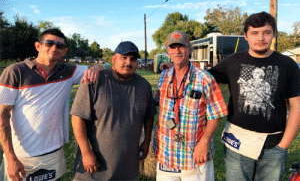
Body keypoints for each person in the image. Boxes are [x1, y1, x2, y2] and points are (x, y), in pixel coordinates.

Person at [0, 28, 103, 181]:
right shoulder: (15, 71)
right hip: (21, 154)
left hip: (54, 152)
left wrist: (96, 68)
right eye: (49, 43)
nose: (54, 48)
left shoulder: (69, 71)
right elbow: (2, 116)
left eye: (59, 46)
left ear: (65, 51)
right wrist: (11, 157)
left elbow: (102, 68)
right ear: (38, 46)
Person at [208, 12, 300, 181]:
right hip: (238, 142)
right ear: (245, 36)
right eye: (255, 33)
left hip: (274, 145)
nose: (261, 38)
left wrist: (283, 145)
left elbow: (297, 106)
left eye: (266, 32)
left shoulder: (288, 65)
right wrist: (176, 65)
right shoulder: (232, 61)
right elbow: (204, 79)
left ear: (273, 34)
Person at [70, 41, 157, 180]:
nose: (128, 62)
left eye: (133, 59)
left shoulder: (144, 85)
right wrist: (86, 152)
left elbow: (149, 116)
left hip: (127, 169)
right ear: (113, 59)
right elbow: (77, 118)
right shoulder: (94, 81)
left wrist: (146, 141)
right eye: (124, 57)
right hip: (94, 169)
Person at [153, 30, 228, 181]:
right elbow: (158, 102)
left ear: (189, 50)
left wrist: (204, 142)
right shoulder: (164, 76)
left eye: (181, 46)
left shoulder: (205, 78)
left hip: (195, 155)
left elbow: (217, 114)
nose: (177, 51)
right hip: (166, 155)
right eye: (173, 47)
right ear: (168, 51)